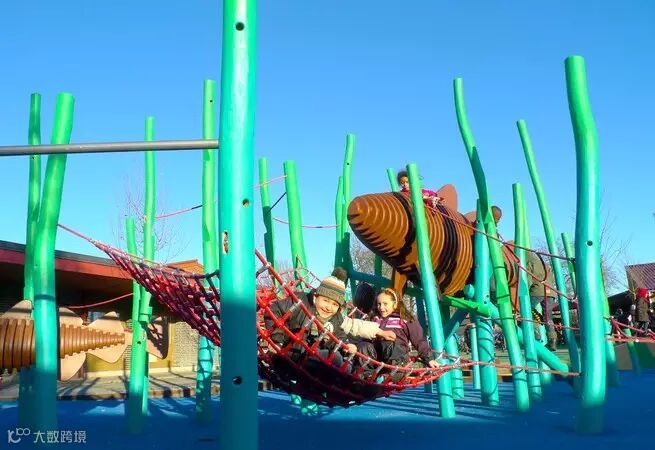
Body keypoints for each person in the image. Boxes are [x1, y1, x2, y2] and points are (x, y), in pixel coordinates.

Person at [263, 268, 395, 367]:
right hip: (290, 351)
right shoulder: (300, 303)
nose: (328, 307)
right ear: (316, 297)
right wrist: (277, 340)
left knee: (339, 360)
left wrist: (345, 345)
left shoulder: (335, 318)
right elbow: (273, 311)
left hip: (312, 356)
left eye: (334, 304)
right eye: (325, 300)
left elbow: (341, 333)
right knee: (333, 360)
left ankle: (351, 380)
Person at [357, 288, 439, 370]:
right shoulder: (375, 319)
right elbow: (365, 336)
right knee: (363, 345)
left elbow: (419, 340)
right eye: (379, 304)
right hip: (377, 358)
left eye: (385, 304)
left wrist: (429, 359)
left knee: (388, 343)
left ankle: (397, 369)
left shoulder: (405, 319)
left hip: (396, 356)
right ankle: (365, 372)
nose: (381, 307)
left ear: (395, 304)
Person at [525, 251, 558, 351]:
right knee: (548, 316)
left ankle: (536, 334)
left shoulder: (529, 263)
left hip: (537, 291)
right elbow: (551, 279)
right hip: (550, 291)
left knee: (526, 310)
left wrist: (526, 290)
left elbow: (528, 280)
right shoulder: (545, 264)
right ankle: (552, 339)